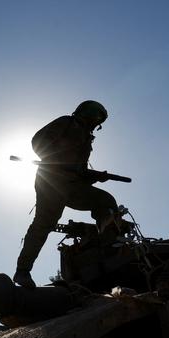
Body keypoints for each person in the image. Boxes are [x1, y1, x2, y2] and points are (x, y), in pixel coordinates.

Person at [13, 100, 119, 289]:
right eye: (96, 120)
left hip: (72, 186)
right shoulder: (66, 123)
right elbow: (37, 141)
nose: (96, 126)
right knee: (44, 224)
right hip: (51, 182)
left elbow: (80, 172)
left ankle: (106, 246)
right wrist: (55, 159)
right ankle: (23, 271)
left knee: (105, 201)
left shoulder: (87, 139)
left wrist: (95, 176)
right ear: (89, 115)